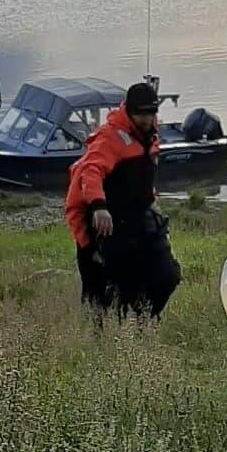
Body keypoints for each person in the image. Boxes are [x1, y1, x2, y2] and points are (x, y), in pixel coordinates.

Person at [65, 81, 182, 320]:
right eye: (141, 114)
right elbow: (91, 172)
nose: (147, 119)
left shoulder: (150, 135)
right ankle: (113, 330)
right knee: (100, 297)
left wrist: (153, 204)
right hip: (106, 224)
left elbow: (142, 178)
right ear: (129, 111)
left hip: (141, 220)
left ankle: (141, 320)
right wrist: (99, 207)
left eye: (151, 113)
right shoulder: (110, 137)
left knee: (167, 276)